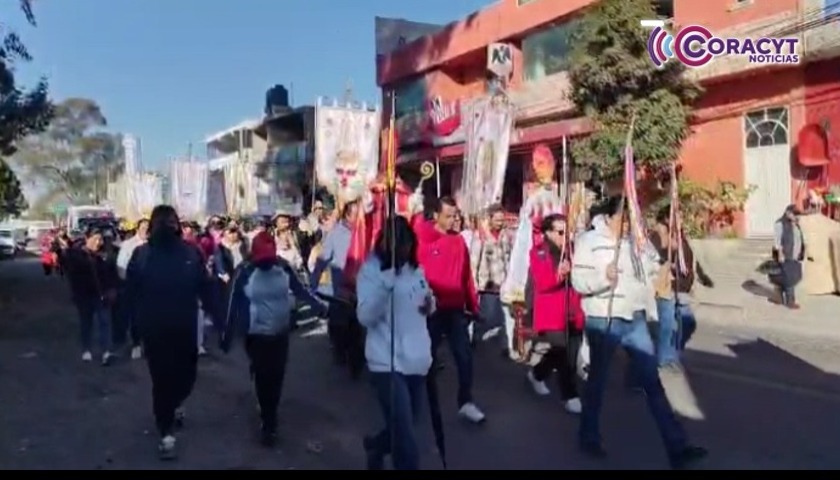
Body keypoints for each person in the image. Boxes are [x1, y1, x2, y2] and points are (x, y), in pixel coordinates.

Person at [571, 196, 706, 470]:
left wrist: (669, 262)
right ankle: (589, 436)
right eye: (627, 217)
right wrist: (602, 278)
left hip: (635, 319)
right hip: (603, 319)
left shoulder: (636, 242)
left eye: (634, 218)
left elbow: (653, 266)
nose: (632, 223)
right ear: (610, 216)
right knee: (597, 381)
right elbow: (578, 281)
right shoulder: (588, 241)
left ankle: (677, 447)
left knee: (653, 383)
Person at [125, 205, 216, 460]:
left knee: (187, 377)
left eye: (171, 220)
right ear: (153, 225)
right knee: (162, 381)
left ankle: (175, 403)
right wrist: (128, 330)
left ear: (177, 224)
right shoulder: (141, 255)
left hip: (185, 328)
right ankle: (166, 433)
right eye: (161, 221)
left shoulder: (191, 253)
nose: (167, 225)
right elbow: (129, 294)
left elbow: (205, 288)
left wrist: (218, 319)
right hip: (154, 330)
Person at [221, 231, 325, 447]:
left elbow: (302, 290)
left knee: (276, 377)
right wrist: (227, 335)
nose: (266, 264)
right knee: (263, 377)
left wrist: (320, 307)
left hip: (280, 333)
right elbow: (231, 303)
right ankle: (269, 423)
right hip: (255, 335)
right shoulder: (245, 272)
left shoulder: (284, 267)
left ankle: (271, 414)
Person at [358, 215, 434, 471]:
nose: (404, 251)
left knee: (405, 426)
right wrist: (385, 286)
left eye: (408, 245)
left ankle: (376, 446)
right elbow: (365, 316)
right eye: (399, 246)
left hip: (416, 359)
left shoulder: (416, 270)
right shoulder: (371, 271)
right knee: (406, 440)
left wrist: (429, 304)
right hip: (386, 362)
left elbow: (424, 299)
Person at [414, 196, 484, 423]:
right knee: (427, 358)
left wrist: (473, 305)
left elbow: (466, 278)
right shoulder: (422, 241)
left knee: (464, 357)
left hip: (455, 310)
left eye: (456, 215)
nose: (454, 219)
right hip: (430, 311)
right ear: (436, 216)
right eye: (449, 215)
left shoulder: (459, 242)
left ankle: (466, 402)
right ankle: (419, 398)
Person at [525, 214, 583, 414]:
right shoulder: (539, 252)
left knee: (569, 353)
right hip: (552, 311)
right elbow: (543, 282)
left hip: (573, 308)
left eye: (567, 231)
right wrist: (561, 274)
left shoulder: (573, 250)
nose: (564, 236)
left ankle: (537, 373)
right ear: (548, 233)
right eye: (560, 232)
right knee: (563, 353)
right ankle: (570, 395)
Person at [649, 207, 713, 370]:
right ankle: (665, 356)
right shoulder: (657, 235)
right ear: (666, 218)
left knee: (683, 323)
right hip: (668, 284)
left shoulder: (678, 234)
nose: (681, 220)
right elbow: (656, 257)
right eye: (678, 216)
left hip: (682, 285)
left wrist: (701, 276)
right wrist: (669, 248)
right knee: (670, 324)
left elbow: (689, 258)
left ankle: (671, 352)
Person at [310, 200, 363, 374]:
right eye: (356, 214)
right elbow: (323, 259)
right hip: (340, 291)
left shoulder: (364, 232)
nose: (360, 217)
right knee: (340, 325)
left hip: (362, 289)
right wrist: (313, 283)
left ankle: (356, 362)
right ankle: (340, 351)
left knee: (358, 328)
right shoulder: (336, 234)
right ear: (348, 215)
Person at [64, 226, 119, 365]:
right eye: (95, 239)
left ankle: (106, 352)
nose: (98, 243)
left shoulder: (106, 254)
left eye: (100, 239)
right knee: (86, 323)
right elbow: (72, 275)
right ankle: (86, 349)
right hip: (84, 295)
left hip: (102, 294)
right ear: (87, 238)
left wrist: (112, 288)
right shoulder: (76, 255)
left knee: (105, 323)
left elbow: (112, 273)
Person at [470, 204, 514, 356]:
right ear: (490, 219)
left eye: (502, 220)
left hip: (503, 282)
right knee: (486, 316)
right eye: (497, 220)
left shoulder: (505, 235)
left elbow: (508, 257)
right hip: (487, 284)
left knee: (505, 317)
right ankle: (475, 337)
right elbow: (473, 261)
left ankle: (505, 347)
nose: (500, 223)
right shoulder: (481, 236)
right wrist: (474, 283)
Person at [116, 218, 149, 360]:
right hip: (134, 286)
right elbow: (121, 265)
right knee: (136, 317)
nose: (146, 231)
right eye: (143, 228)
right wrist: (127, 281)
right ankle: (136, 344)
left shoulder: (153, 245)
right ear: (138, 229)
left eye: (148, 228)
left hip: (152, 288)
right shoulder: (129, 245)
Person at [772, 204, 805, 309]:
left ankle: (778, 297)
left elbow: (799, 239)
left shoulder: (796, 224)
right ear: (787, 213)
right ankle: (790, 301)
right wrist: (780, 254)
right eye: (794, 214)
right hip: (785, 255)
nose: (797, 217)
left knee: (784, 277)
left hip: (794, 255)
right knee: (790, 278)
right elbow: (777, 241)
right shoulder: (780, 224)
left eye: (797, 215)